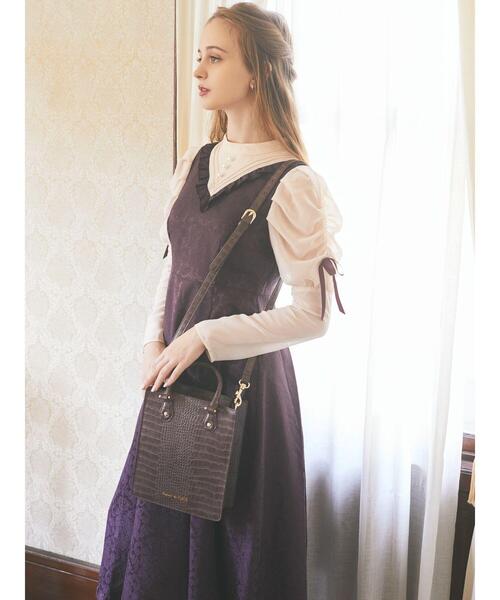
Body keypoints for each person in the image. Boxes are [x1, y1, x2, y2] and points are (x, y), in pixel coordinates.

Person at [96, 3, 345, 599]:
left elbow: (314, 315)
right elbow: (174, 267)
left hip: (244, 400)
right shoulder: (194, 163)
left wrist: (206, 336)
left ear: (257, 71)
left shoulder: (293, 182)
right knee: (151, 540)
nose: (199, 70)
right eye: (198, 57)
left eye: (215, 58)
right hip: (173, 383)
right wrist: (153, 343)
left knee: (233, 555)